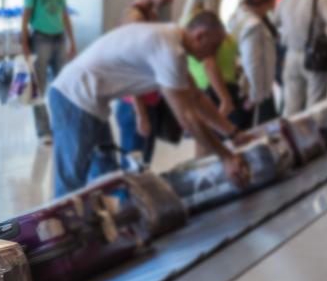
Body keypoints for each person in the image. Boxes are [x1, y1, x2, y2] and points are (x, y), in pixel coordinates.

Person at [48, 12, 250, 197]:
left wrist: (233, 133)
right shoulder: (170, 50)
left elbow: (196, 97)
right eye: (214, 47)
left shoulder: (170, 41)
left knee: (107, 177)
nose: (213, 54)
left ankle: (111, 221)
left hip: (91, 101)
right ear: (200, 36)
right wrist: (226, 157)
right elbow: (188, 119)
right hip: (74, 96)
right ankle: (60, 226)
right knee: (70, 185)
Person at [115, 0, 185, 167]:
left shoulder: (150, 15)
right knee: (133, 170)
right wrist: (141, 114)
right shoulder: (134, 17)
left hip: (149, 102)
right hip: (135, 105)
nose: (170, 1)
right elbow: (130, 69)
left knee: (143, 166)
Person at [181, 0, 243, 147]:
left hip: (214, 88)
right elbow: (208, 62)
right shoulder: (203, 21)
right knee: (212, 148)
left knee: (210, 148)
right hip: (215, 90)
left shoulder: (194, 18)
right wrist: (225, 99)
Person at [279, 0, 327, 116]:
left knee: (291, 105)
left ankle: (291, 130)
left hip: (290, 55)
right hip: (314, 56)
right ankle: (312, 130)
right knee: (316, 104)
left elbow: (275, 22)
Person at [21, 0, 77, 95]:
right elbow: (26, 14)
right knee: (39, 81)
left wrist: (72, 41)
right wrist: (25, 43)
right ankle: (40, 111)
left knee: (62, 80)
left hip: (60, 38)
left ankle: (57, 109)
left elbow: (64, 14)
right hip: (41, 38)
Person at [230, 0, 279, 126]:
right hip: (253, 91)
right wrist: (255, 96)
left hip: (244, 86)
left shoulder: (239, 15)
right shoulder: (254, 26)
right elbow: (253, 62)